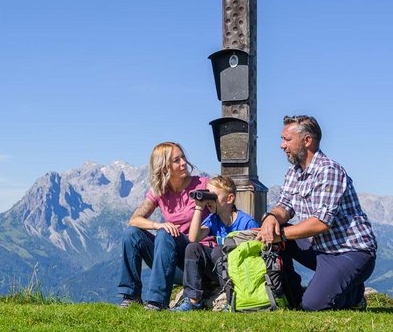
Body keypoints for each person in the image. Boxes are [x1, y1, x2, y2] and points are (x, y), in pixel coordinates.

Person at [256, 115, 377, 311]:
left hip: (349, 252)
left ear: (307, 141)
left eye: (287, 139)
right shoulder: (293, 172)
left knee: (314, 304)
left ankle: (354, 296)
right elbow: (285, 205)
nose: (281, 145)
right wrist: (271, 218)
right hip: (320, 248)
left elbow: (321, 223)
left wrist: (281, 235)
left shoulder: (329, 171)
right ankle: (292, 299)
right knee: (276, 233)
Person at [118, 142, 210, 311]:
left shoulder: (203, 185)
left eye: (183, 157)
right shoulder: (160, 190)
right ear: (164, 167)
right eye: (176, 160)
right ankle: (131, 296)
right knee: (131, 234)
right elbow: (134, 220)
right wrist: (158, 224)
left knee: (165, 234)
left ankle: (157, 302)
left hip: (195, 262)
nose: (183, 163)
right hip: (169, 262)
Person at [171, 175, 258, 311]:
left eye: (213, 196)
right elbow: (193, 238)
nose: (209, 200)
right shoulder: (213, 219)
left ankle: (231, 300)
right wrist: (199, 208)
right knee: (193, 248)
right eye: (207, 195)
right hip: (219, 271)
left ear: (230, 198)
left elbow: (256, 255)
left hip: (241, 271)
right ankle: (193, 300)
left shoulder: (246, 222)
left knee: (219, 250)